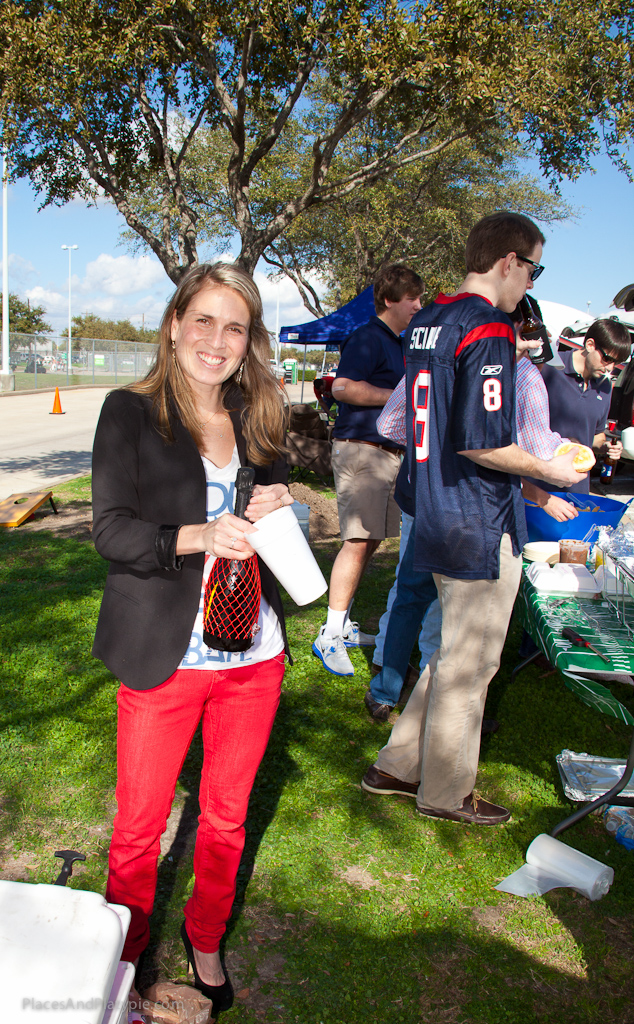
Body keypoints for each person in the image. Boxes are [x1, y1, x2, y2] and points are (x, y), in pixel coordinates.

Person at [91, 263, 292, 1020]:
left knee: (226, 817)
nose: (216, 340)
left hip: (253, 657)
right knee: (140, 832)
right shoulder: (131, 411)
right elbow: (108, 531)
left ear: (250, 340)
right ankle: (123, 963)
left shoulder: (254, 412)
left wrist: (272, 500)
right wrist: (199, 534)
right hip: (166, 658)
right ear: (174, 325)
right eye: (202, 320)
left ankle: (205, 939)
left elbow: (259, 511)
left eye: (233, 326)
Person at [360, 211, 587, 824]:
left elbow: (411, 421)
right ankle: (446, 792)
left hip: (430, 508)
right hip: (475, 518)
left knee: (454, 652)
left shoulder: (429, 318)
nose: (530, 283)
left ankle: (397, 765)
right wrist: (552, 473)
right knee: (473, 662)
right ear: (510, 260)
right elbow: (482, 441)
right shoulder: (488, 326)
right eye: (532, 268)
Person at [312, 264, 422, 676]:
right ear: (389, 299)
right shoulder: (367, 337)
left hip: (389, 454)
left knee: (371, 541)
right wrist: (399, 397)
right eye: (412, 297)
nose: (418, 305)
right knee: (357, 541)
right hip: (363, 451)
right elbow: (342, 388)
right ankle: (329, 634)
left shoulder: (400, 341)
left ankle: (343, 625)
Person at [539, 319, 631, 492]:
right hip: (541, 484)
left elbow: (596, 437)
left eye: (616, 362)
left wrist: (608, 448)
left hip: (578, 488)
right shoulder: (550, 368)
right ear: (589, 345)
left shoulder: (605, 387)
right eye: (607, 359)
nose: (609, 368)